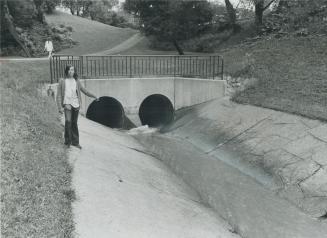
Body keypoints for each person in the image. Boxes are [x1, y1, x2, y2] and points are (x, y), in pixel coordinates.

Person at [57, 65, 99, 149]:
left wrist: (94, 96)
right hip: (67, 104)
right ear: (66, 71)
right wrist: (60, 107)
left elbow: (85, 91)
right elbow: (58, 96)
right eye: (69, 70)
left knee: (74, 123)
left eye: (72, 70)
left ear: (74, 71)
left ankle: (75, 142)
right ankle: (67, 142)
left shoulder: (77, 81)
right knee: (68, 122)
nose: (71, 71)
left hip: (76, 104)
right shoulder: (62, 81)